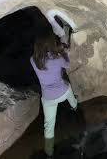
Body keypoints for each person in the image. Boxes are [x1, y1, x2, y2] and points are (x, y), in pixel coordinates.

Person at [30, 27, 77, 159]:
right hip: (63, 93)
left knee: (49, 125)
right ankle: (74, 106)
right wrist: (63, 51)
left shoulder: (33, 60)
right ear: (51, 44)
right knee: (68, 88)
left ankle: (49, 153)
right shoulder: (57, 58)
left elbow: (45, 60)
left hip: (48, 99)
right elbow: (67, 65)